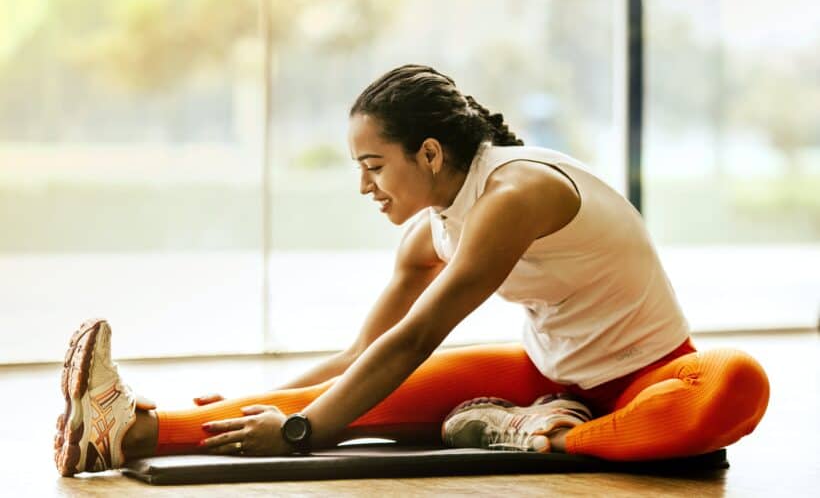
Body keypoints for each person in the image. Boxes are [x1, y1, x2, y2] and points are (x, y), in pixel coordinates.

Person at [54, 65, 770, 477]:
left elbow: (420, 335)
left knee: (739, 383)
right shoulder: (431, 231)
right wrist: (262, 402)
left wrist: (305, 432)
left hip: (652, 379)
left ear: (429, 153)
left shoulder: (517, 195)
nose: (366, 186)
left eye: (374, 166)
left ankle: (540, 435)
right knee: (344, 393)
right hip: (547, 379)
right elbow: (362, 359)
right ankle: (120, 430)